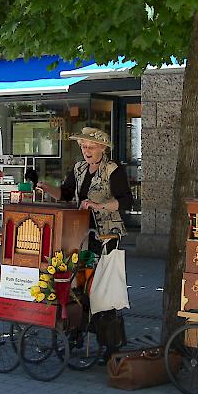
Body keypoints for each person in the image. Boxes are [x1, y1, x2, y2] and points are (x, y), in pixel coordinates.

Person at [37, 127, 133, 362]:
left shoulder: (113, 170)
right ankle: (77, 334)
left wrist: (100, 206)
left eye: (91, 147)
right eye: (83, 146)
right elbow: (67, 194)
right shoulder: (79, 168)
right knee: (79, 288)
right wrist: (48, 188)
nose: (86, 151)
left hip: (106, 237)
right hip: (81, 235)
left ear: (102, 148)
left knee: (103, 291)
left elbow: (126, 200)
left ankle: (111, 346)